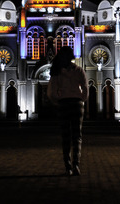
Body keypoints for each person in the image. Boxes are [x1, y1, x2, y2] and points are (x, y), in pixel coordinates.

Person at [47, 46, 88, 176]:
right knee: (74, 136)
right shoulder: (73, 70)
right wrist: (82, 99)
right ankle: (72, 165)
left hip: (69, 103)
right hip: (74, 103)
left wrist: (57, 100)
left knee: (70, 136)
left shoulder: (63, 71)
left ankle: (72, 165)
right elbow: (85, 87)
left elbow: (52, 91)